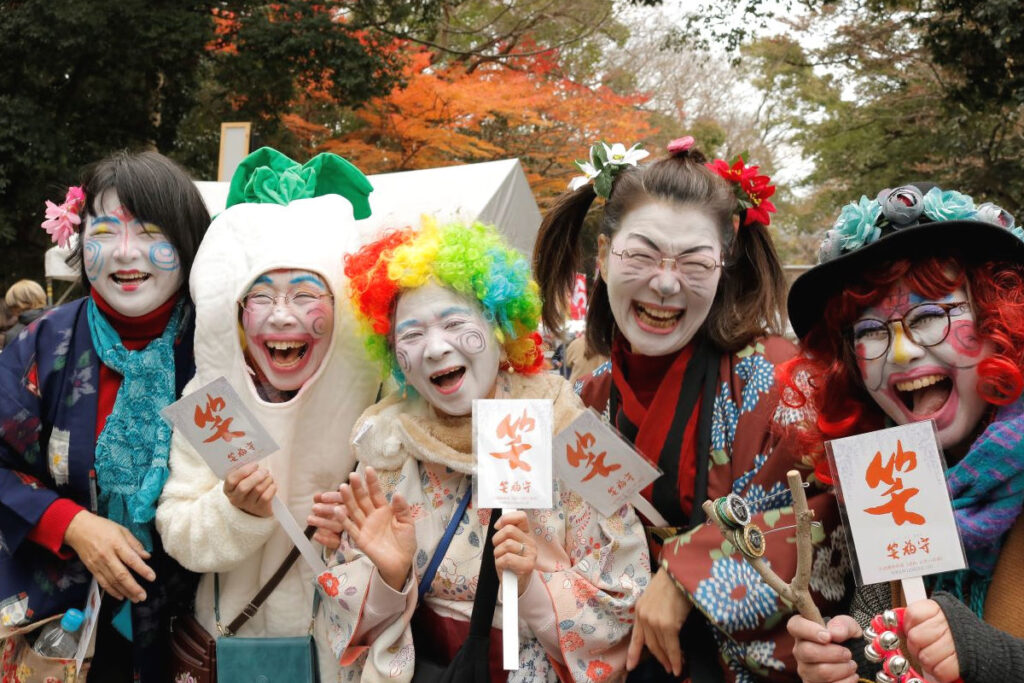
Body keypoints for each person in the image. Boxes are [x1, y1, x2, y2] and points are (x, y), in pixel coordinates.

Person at [533, 138, 845, 681]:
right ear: (604, 258)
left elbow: (826, 507)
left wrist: (687, 573)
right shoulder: (584, 396)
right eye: (641, 254)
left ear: (723, 267)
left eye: (695, 261)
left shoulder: (780, 378)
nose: (666, 282)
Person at [309, 219, 650, 682]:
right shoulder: (386, 445)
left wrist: (531, 586)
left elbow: (627, 596)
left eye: (454, 323)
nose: (434, 349)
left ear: (499, 325)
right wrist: (388, 577)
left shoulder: (572, 430)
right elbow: (342, 612)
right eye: (410, 335)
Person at [782, 183, 1024, 683]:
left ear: (1000, 321)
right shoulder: (888, 486)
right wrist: (858, 656)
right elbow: (885, 638)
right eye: (870, 332)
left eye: (930, 316)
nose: (901, 353)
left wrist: (990, 657)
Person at [155, 147, 381, 680]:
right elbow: (180, 532)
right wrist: (237, 512)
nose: (283, 315)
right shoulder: (216, 403)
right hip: (234, 652)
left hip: (339, 653)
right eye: (262, 297)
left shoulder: (377, 407)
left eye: (306, 295)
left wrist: (358, 536)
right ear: (235, 312)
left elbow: (414, 544)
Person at [0, 150, 210, 680]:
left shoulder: (217, 348)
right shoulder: (41, 346)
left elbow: (244, 468)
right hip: (60, 631)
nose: (124, 252)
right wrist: (70, 524)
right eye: (105, 230)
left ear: (187, 242)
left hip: (192, 630)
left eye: (149, 231)